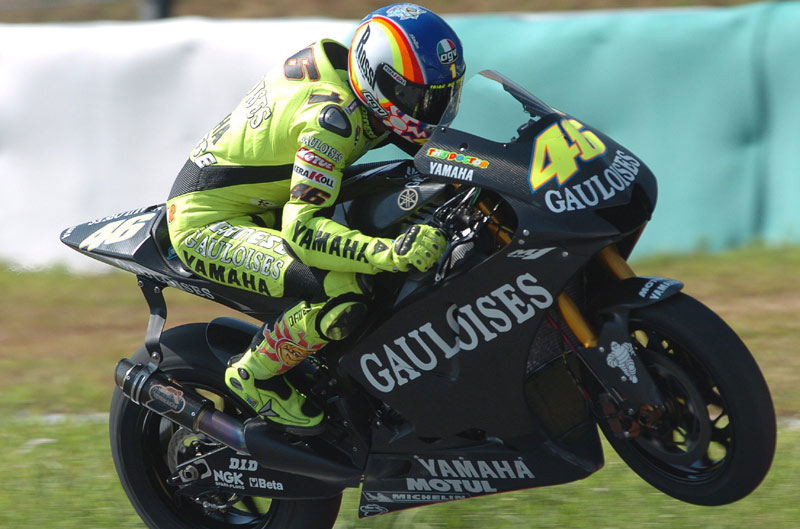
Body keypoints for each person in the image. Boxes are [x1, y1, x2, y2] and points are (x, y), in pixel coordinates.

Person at [165, 3, 466, 435]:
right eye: (419, 98)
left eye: (443, 96)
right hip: (209, 224)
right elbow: (303, 232)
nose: (430, 110)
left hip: (261, 203)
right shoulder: (332, 121)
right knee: (345, 290)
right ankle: (255, 374)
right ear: (378, 79)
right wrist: (389, 253)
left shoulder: (364, 92)